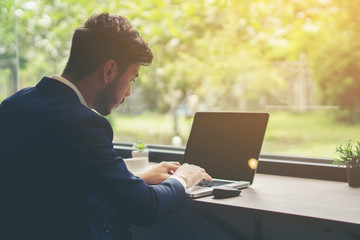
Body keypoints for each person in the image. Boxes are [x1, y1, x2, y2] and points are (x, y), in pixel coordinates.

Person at [0, 13, 211, 240]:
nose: (129, 92)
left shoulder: (13, 105)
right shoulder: (82, 124)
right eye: (132, 78)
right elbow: (145, 208)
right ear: (109, 71)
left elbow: (53, 183)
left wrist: (135, 179)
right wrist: (183, 178)